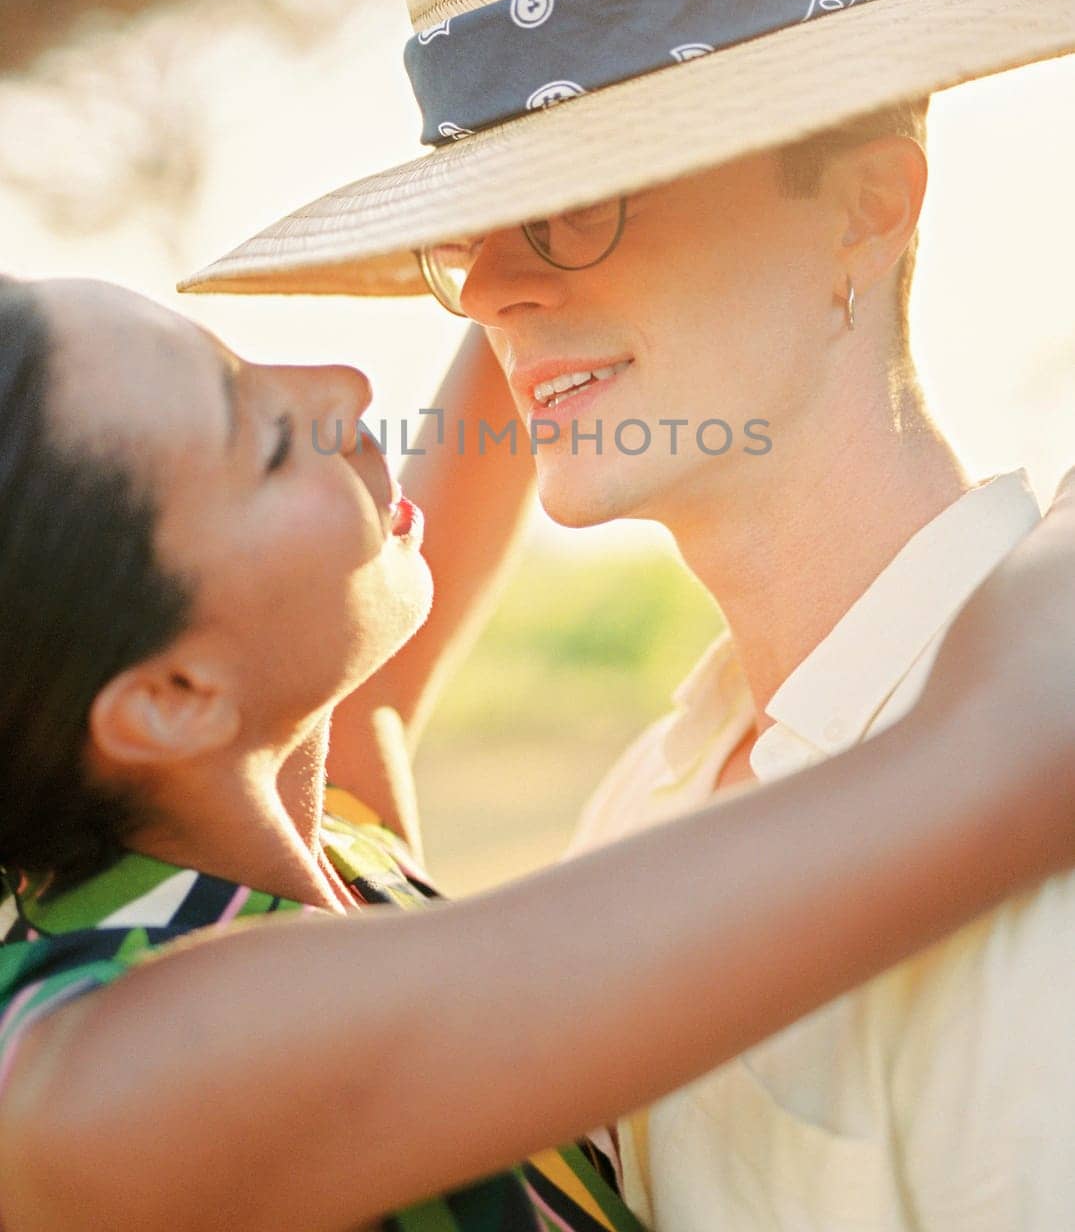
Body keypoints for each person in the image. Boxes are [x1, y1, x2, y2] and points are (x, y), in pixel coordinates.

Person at [177, 0, 1075, 1226]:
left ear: (869, 200)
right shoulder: (653, 805)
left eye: (578, 207)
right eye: (482, 228)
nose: (492, 306)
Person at [1, 271, 1074, 1232]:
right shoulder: (109, 1090)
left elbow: (469, 431)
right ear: (173, 697)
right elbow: (1001, 754)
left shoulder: (307, 848)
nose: (343, 384)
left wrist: (544, 216)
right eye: (270, 436)